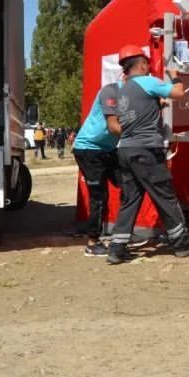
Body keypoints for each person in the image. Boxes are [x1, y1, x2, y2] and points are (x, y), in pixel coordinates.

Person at [104, 44, 189, 265]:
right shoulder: (149, 82)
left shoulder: (123, 90)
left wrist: (158, 105)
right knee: (165, 196)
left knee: (130, 200)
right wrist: (174, 76)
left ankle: (116, 248)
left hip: (125, 150)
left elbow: (141, 110)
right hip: (146, 150)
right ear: (142, 64)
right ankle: (182, 242)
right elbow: (178, 93)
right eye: (147, 64)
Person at [72, 81, 123, 256]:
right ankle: (92, 243)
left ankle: (122, 235)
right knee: (99, 197)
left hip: (108, 150)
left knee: (130, 183)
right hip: (89, 149)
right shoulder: (111, 90)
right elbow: (113, 125)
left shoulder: (133, 97)